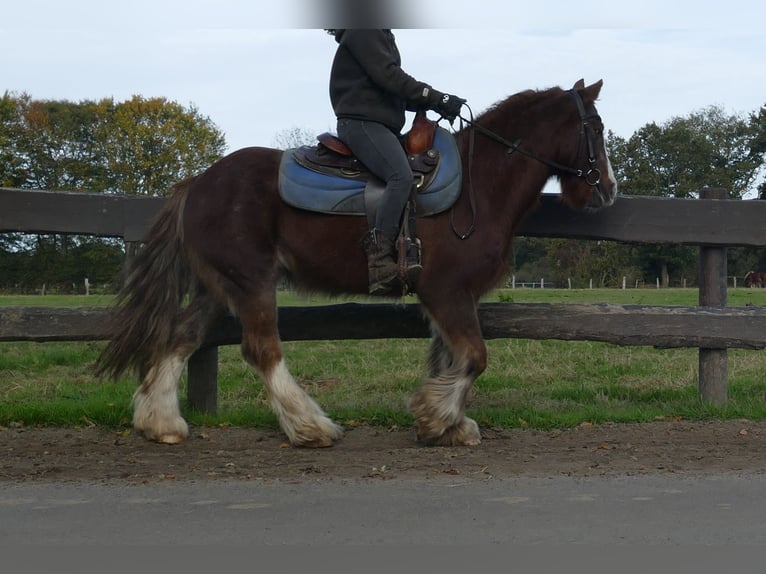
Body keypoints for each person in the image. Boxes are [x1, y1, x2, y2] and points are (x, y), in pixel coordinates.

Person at [327, 29, 466, 295]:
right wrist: (437, 97)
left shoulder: (377, 32)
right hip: (362, 124)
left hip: (380, 125)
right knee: (400, 177)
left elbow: (391, 89)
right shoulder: (363, 29)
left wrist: (437, 103)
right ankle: (379, 262)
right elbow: (389, 76)